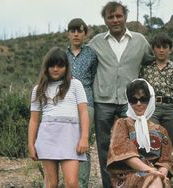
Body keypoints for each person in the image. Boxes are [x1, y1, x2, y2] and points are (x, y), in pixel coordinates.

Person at [88, 1, 173, 187]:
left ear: (125, 17)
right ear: (105, 20)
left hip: (131, 101)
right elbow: (86, 65)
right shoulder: (96, 43)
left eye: (119, 16)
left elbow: (157, 61)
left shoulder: (140, 41)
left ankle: (135, 183)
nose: (115, 20)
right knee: (104, 147)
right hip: (103, 100)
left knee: (135, 146)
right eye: (111, 17)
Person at [28, 47, 90, 187]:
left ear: (66, 67)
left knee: (72, 182)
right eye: (52, 65)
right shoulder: (38, 89)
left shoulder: (75, 85)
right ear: (46, 67)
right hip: (47, 137)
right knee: (51, 184)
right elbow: (34, 120)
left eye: (60, 65)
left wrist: (84, 138)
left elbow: (84, 112)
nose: (55, 69)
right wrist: (31, 144)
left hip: (70, 138)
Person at [107, 79, 173, 188]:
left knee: (157, 180)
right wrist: (150, 171)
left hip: (155, 176)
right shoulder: (122, 124)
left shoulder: (161, 130)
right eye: (133, 100)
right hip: (128, 175)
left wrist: (160, 174)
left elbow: (166, 161)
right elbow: (123, 154)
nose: (138, 104)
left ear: (151, 100)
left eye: (143, 99)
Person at [139, 32, 173, 145]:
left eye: (165, 47)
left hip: (170, 110)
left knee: (167, 143)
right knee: (153, 139)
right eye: (158, 47)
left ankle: (167, 162)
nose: (161, 50)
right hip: (152, 108)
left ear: (170, 49)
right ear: (153, 49)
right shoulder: (146, 69)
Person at [66, 18, 98, 188]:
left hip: (87, 103)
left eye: (79, 31)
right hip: (66, 105)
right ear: (68, 34)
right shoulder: (63, 56)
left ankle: (81, 183)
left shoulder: (92, 54)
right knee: (66, 142)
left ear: (85, 34)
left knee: (83, 142)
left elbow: (93, 76)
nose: (76, 34)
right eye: (73, 31)